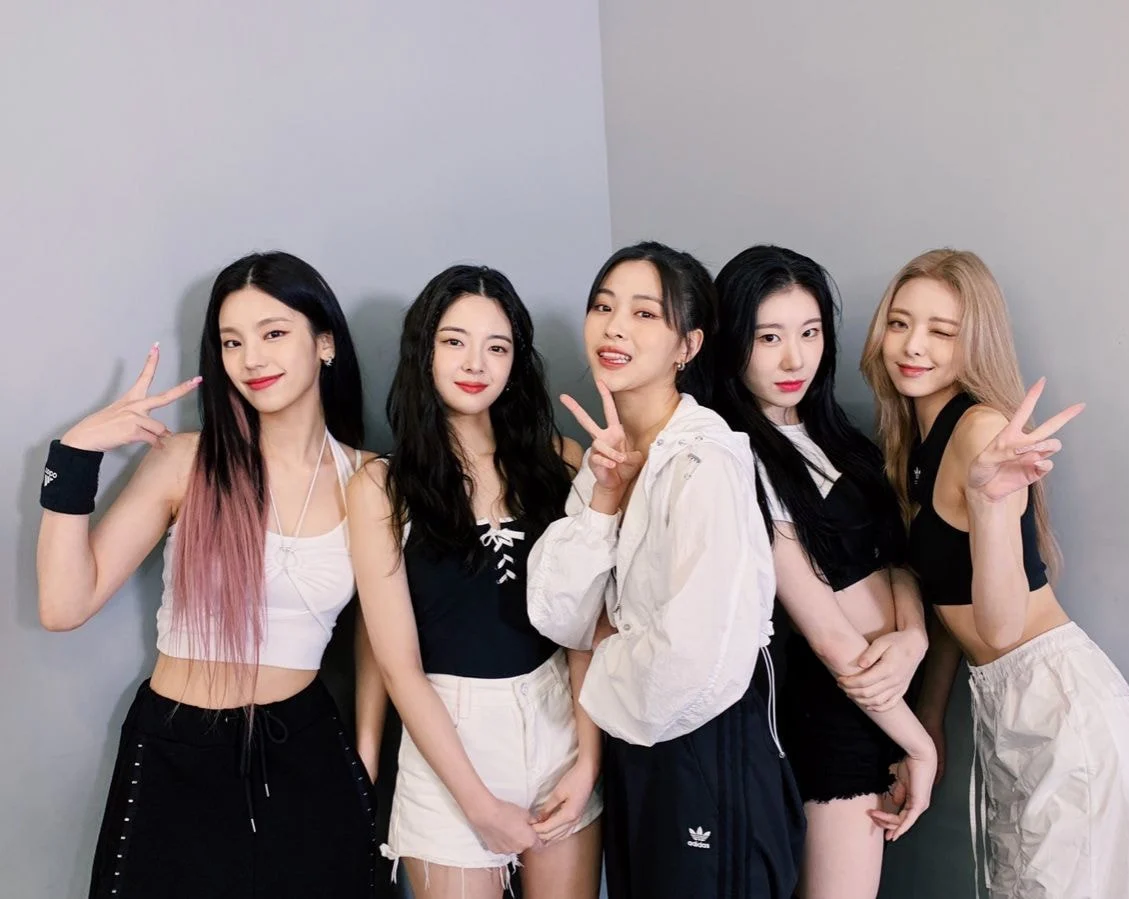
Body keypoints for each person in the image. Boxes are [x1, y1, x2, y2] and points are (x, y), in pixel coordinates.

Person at [37, 251, 377, 898]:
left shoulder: (370, 478)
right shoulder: (185, 462)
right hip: (177, 751)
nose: (252, 358)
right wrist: (74, 455)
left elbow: (384, 641)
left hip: (307, 749)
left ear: (325, 342)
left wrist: (363, 758)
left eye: (273, 333)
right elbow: (63, 604)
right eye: (232, 341)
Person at [860, 248, 1129, 898]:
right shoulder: (920, 442)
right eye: (900, 323)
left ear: (975, 341)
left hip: (1063, 715)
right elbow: (950, 603)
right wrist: (929, 723)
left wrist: (989, 502)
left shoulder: (981, 432)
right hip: (1016, 708)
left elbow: (999, 627)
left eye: (942, 331)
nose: (913, 346)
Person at [527, 241, 804, 899]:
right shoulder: (609, 457)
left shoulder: (706, 461)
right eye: (603, 306)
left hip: (707, 750)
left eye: (645, 313)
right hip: (638, 747)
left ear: (688, 344)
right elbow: (557, 613)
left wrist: (605, 647)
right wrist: (605, 499)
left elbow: (696, 662)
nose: (615, 327)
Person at [351, 265, 602, 899]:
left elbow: (585, 627)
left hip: (561, 730)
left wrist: (588, 763)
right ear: (425, 350)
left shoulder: (561, 461)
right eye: (454, 341)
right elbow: (399, 666)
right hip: (448, 749)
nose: (475, 363)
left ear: (516, 361)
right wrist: (479, 804)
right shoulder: (381, 486)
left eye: (497, 347)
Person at [710, 245, 935, 898]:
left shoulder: (839, 438)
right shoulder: (738, 459)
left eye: (809, 333)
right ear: (731, 342)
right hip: (830, 716)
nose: (794, 359)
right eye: (769, 338)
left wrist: (914, 636)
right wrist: (920, 745)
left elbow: (895, 560)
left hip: (881, 707)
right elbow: (830, 637)